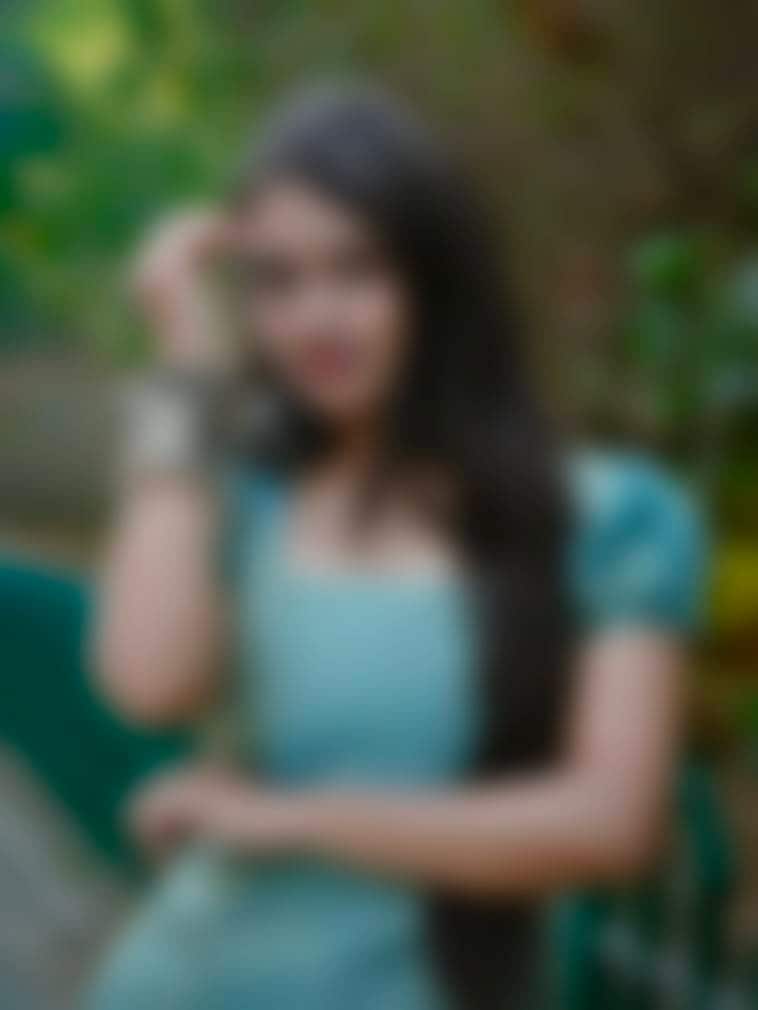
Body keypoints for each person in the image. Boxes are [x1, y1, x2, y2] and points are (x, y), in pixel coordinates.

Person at [83, 83, 706, 1010]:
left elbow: (613, 825)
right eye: (278, 282)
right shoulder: (243, 498)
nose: (315, 319)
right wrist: (187, 375)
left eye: (357, 268)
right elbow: (148, 684)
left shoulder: (610, 517)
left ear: (439, 280)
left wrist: (294, 819)